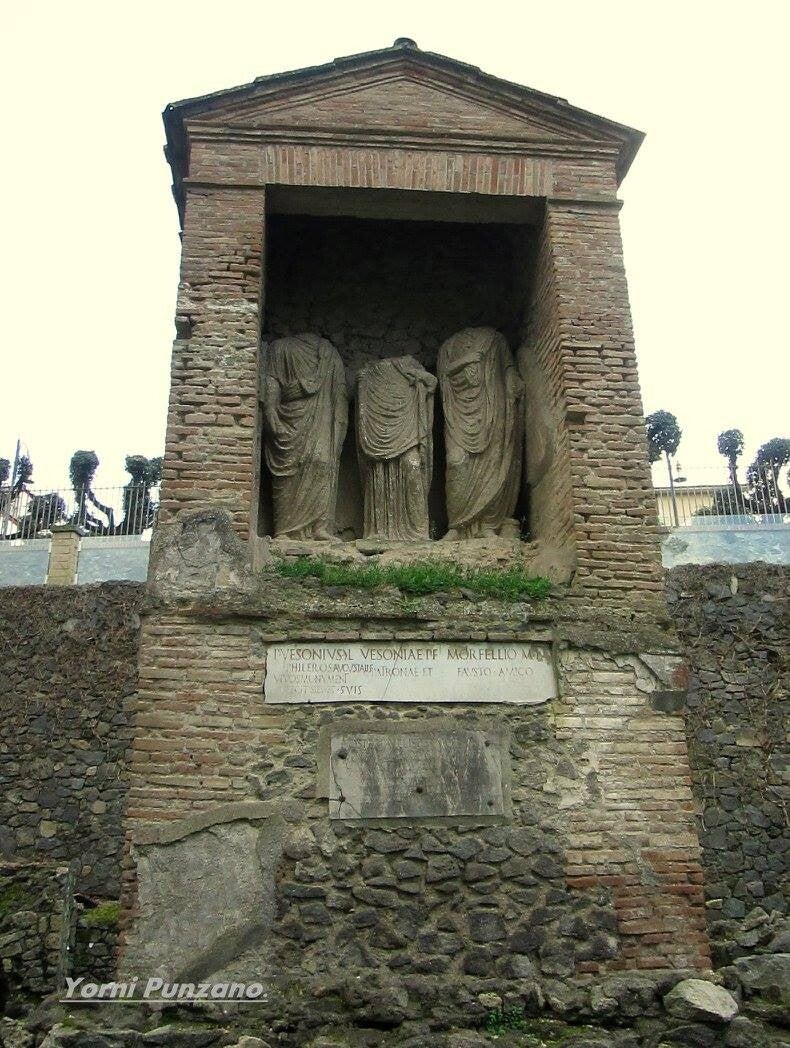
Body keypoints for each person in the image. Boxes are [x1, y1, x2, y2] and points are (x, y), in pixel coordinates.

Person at [437, 327, 524, 539]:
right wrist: (465, 363)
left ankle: (488, 525)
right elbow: (443, 378)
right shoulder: (447, 347)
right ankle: (457, 526)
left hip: (493, 408)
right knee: (456, 462)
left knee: (494, 462)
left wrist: (513, 383)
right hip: (458, 414)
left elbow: (508, 369)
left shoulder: (495, 339)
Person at [262, 333, 347, 540]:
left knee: (322, 463)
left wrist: (338, 425)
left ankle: (320, 528)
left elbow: (340, 393)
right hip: (289, 417)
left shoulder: (329, 353)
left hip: (322, 417)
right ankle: (284, 530)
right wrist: (271, 411)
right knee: (287, 469)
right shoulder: (280, 347)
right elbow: (271, 381)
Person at [356, 356, 437, 541]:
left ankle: (418, 531)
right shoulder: (370, 373)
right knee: (378, 474)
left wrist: (420, 376)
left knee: (413, 466)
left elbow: (432, 383)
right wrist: (362, 383)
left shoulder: (411, 365)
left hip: (408, 430)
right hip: (379, 431)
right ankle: (379, 531)